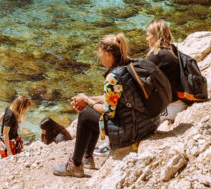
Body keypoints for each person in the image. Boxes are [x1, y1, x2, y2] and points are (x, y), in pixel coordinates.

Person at [53, 33, 160, 177]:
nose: (99, 58)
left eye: (100, 54)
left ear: (108, 54)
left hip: (129, 131)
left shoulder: (113, 77)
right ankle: (87, 158)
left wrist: (88, 102)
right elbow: (116, 99)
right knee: (90, 112)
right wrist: (89, 99)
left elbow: (108, 112)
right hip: (145, 123)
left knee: (86, 114)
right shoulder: (130, 65)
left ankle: (75, 165)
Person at [146, 19, 188, 122]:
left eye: (148, 35)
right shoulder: (172, 49)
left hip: (173, 108)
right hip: (182, 101)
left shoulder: (155, 56)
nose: (146, 39)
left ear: (155, 36)